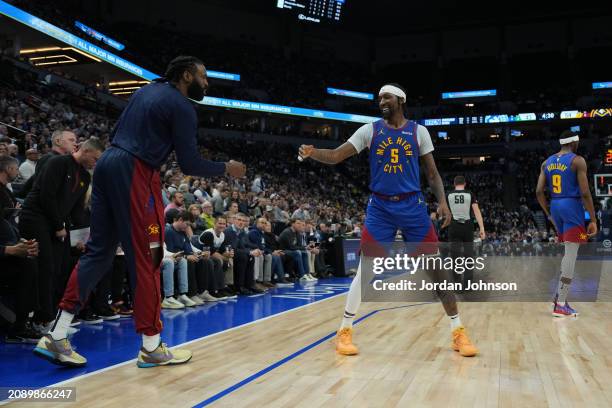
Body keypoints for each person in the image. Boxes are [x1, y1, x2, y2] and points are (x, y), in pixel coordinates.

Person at [36, 56, 246, 368]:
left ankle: (57, 332)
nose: (206, 83)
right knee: (149, 258)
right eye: (202, 77)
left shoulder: (145, 91)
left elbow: (119, 132)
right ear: (187, 75)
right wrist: (225, 167)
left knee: (98, 253)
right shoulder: (183, 105)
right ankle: (151, 345)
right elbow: (189, 163)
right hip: (136, 171)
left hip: (109, 162)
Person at [299, 83, 478, 357]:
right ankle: (344, 331)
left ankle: (458, 332)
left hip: (412, 205)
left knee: (436, 269)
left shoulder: (419, 131)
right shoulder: (369, 130)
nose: (381, 100)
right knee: (366, 269)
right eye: (379, 97)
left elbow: (432, 173)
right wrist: (314, 153)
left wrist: (442, 202)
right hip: (380, 207)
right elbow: (336, 156)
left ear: (401, 100)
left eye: (387, 97)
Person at [20, 138, 105, 333]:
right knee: (46, 268)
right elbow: (46, 196)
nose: (96, 163)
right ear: (85, 151)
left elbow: (76, 211)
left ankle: (49, 316)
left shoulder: (84, 175)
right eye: (96, 158)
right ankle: (41, 320)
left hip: (57, 225)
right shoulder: (58, 163)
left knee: (57, 269)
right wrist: (59, 226)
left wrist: (83, 239)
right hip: (36, 218)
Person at [536, 130, 597, 317]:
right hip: (571, 206)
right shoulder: (577, 160)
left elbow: (539, 192)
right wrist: (593, 219)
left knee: (567, 252)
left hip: (555, 206)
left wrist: (549, 214)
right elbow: (585, 193)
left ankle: (560, 296)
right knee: (571, 254)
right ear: (574, 143)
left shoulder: (546, 162)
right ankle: (561, 304)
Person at [447, 175, 485, 287]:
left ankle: (457, 284)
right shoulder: (470, 194)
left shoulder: (448, 194)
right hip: (467, 226)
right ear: (465, 184)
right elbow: (477, 212)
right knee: (469, 256)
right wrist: (482, 228)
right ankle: (468, 284)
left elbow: (442, 210)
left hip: (454, 226)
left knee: (455, 257)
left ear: (454, 184)